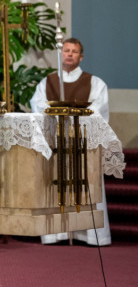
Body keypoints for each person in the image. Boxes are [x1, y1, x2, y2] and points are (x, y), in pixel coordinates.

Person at [31, 37, 111, 246]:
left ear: (81, 56)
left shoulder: (94, 83)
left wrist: (72, 117)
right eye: (66, 50)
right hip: (55, 143)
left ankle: (88, 234)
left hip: (82, 143)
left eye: (74, 51)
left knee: (85, 185)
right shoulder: (47, 82)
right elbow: (37, 106)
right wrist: (57, 116)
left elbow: (99, 110)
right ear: (61, 54)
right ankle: (56, 233)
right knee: (56, 184)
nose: (69, 54)